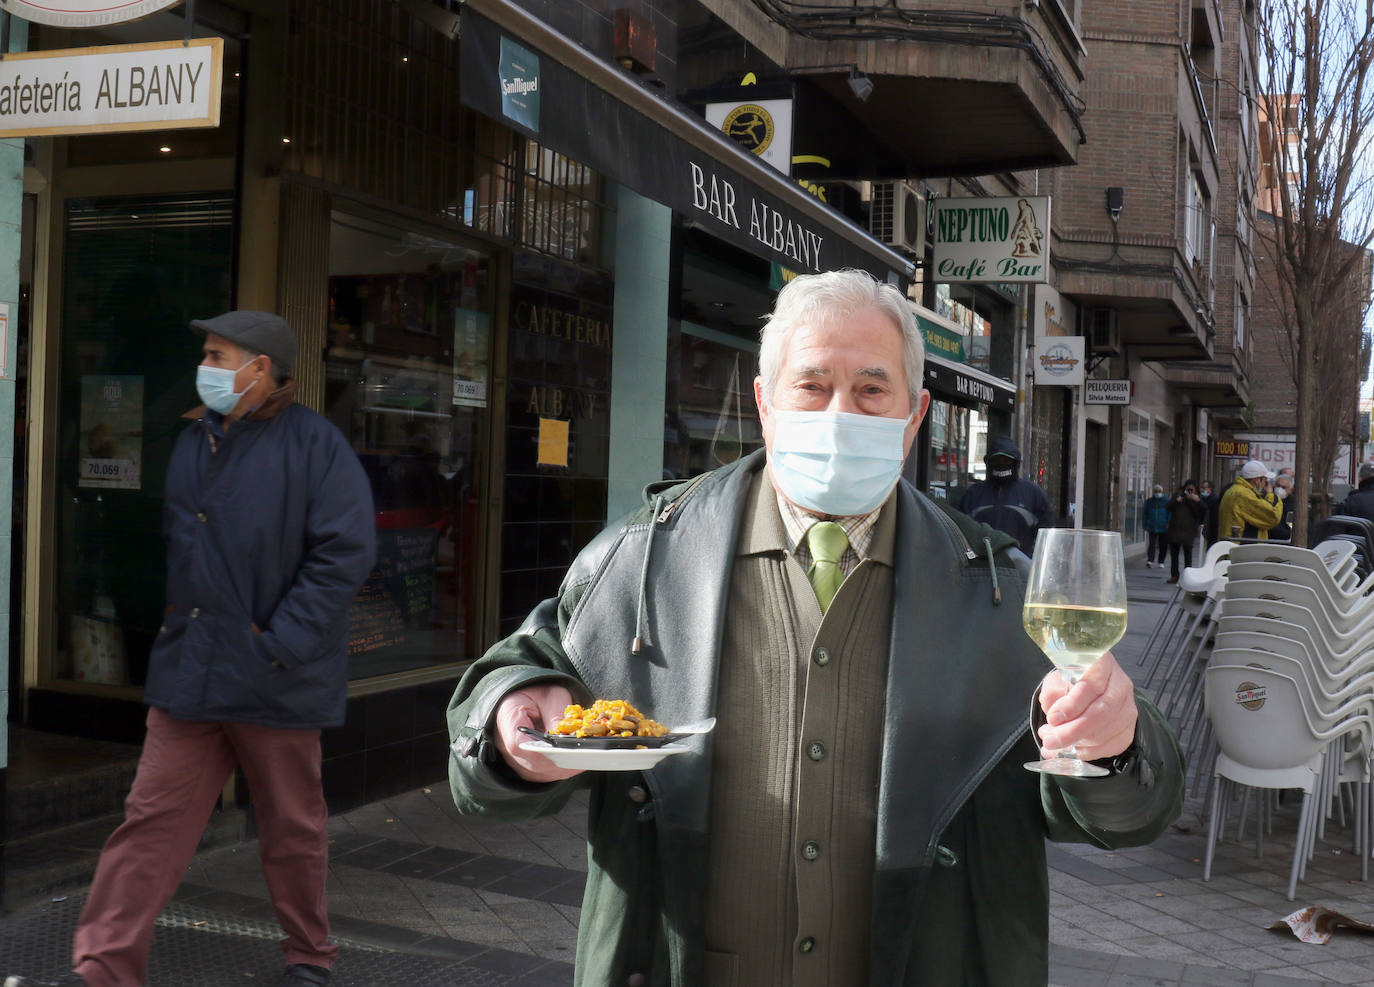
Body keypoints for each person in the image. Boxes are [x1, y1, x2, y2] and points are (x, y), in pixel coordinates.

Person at [446, 270, 1183, 986]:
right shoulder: (642, 559)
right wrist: (513, 720)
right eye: (812, 385)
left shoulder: (1001, 587)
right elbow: (501, 715)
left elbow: (1127, 813)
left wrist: (1116, 743)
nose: (840, 413)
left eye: (871, 388)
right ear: (766, 405)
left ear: (914, 416)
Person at [7, 312, 378, 987]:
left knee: (292, 830)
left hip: (276, 675)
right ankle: (102, 968)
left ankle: (309, 958)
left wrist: (281, 641)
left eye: (216, 354)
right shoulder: (192, 438)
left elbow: (344, 554)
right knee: (149, 822)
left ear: (260, 367)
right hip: (192, 670)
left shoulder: (317, 445)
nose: (204, 366)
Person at [956, 435, 1057, 556]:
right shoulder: (973, 494)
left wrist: (1034, 561)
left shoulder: (1033, 493)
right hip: (983, 568)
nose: (1001, 464)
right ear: (989, 462)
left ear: (1015, 462)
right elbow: (961, 533)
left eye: (1006, 461)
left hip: (1021, 567)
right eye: (996, 461)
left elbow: (1047, 534)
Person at [1216, 459, 1284, 542]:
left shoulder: (1234, 490)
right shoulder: (1244, 495)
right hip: (1243, 548)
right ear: (1257, 480)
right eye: (1264, 480)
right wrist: (1271, 495)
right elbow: (1273, 515)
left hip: (1233, 546)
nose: (1265, 483)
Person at [1163, 480, 1206, 583]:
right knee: (1174, 555)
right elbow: (1168, 507)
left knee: (1188, 555)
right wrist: (1176, 501)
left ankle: (1187, 576)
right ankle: (1174, 576)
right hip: (1175, 529)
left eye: (1192, 489)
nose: (1190, 491)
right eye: (1188, 489)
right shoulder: (1178, 495)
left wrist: (1195, 500)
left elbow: (1203, 510)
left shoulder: (1197, 499)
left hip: (1189, 531)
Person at [1142, 484, 1169, 568]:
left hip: (1163, 527)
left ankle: (1161, 561)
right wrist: (1145, 524)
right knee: (1152, 544)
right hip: (1152, 526)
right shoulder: (1149, 502)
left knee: (1163, 545)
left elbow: (1170, 513)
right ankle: (1150, 560)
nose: (1157, 493)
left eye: (1159, 491)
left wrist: (1168, 523)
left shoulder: (1167, 501)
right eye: (1156, 491)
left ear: (1162, 492)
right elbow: (1145, 514)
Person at [1269, 473, 1295, 541]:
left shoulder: (1293, 505)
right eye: (1278, 485)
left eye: (1284, 487)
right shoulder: (1268, 499)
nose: (1279, 489)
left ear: (1291, 490)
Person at [1199, 479, 1221, 546]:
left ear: (1210, 489)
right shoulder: (1203, 498)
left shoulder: (1214, 499)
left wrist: (1198, 501)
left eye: (1205, 488)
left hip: (1212, 530)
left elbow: (1207, 510)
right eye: (1202, 487)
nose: (1203, 490)